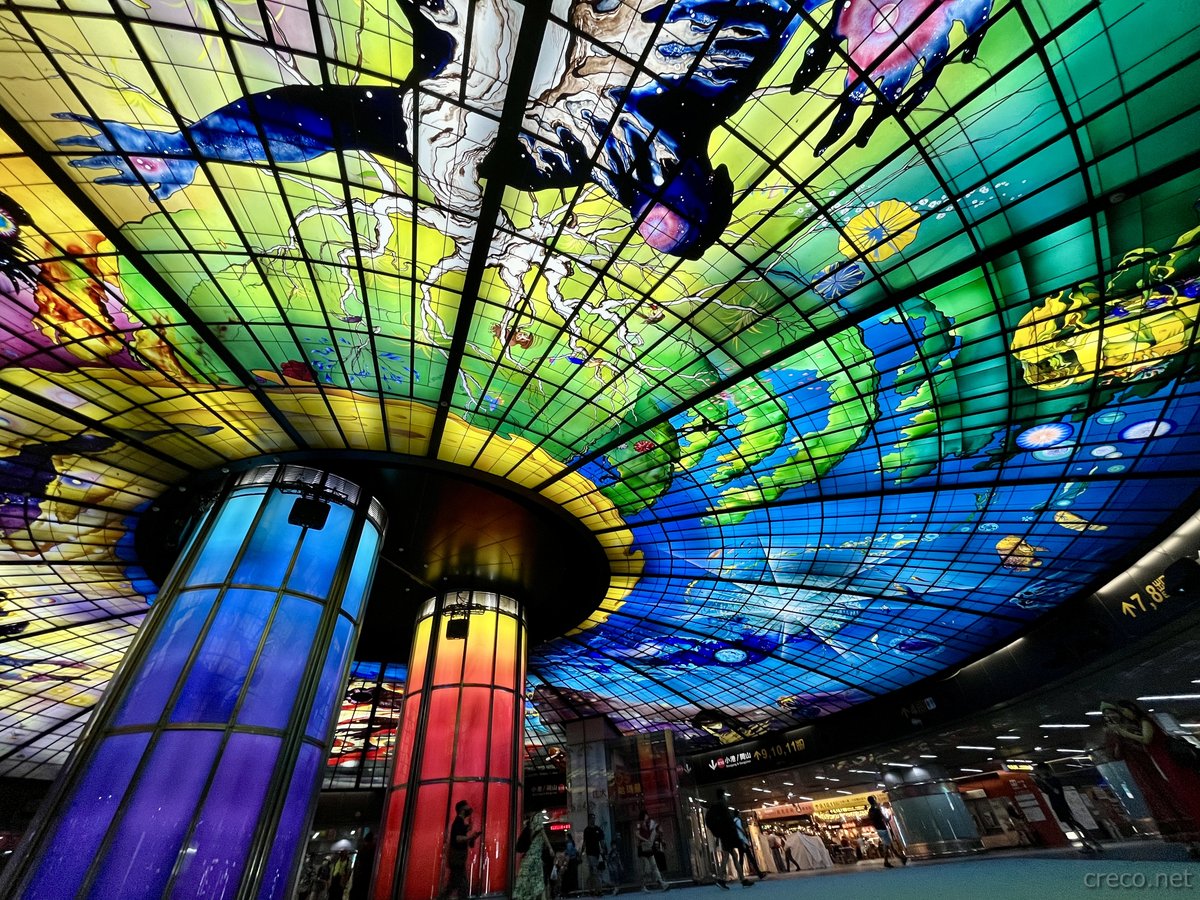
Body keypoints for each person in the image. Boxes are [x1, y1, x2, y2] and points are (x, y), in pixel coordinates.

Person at [1103, 700, 1200, 856]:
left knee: (1177, 796)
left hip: (1157, 763)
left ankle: (1194, 835)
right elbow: (1115, 755)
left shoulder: (1137, 724)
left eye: (1112, 712)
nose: (1110, 716)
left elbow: (1147, 740)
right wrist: (1117, 738)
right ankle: (1186, 841)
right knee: (1160, 800)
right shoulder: (1112, 733)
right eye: (1106, 715)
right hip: (1141, 770)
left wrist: (1124, 733)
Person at [1032, 762, 1103, 853]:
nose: (1037, 772)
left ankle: (1092, 842)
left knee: (1074, 823)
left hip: (1060, 804)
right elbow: (1047, 791)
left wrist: (1042, 782)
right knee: (1072, 824)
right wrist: (1039, 783)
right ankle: (1087, 843)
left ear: (1043, 770)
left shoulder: (1052, 780)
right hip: (1057, 804)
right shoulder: (1048, 780)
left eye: (1038, 770)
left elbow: (1054, 791)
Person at [704, 792, 752, 889]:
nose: (726, 797)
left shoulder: (715, 807)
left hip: (723, 835)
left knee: (732, 856)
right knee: (728, 857)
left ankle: (741, 879)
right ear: (723, 796)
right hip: (728, 835)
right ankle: (722, 879)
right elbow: (729, 823)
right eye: (725, 795)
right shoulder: (722, 806)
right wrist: (737, 838)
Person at [441, 799, 482, 899]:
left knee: (454, 883)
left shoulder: (460, 822)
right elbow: (458, 838)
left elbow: (463, 836)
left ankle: (444, 897)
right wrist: (470, 837)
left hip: (458, 858)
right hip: (457, 858)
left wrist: (471, 836)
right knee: (461, 884)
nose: (469, 809)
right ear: (462, 810)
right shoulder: (458, 822)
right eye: (467, 808)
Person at [514, 810, 554, 900]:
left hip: (530, 854)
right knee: (538, 879)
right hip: (535, 855)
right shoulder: (537, 816)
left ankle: (528, 896)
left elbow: (531, 834)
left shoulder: (531, 820)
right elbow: (543, 833)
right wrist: (550, 847)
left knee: (529, 878)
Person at [866, 796, 907, 868]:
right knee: (888, 845)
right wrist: (890, 816)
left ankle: (898, 859)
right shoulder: (877, 810)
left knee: (888, 845)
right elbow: (885, 819)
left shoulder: (870, 811)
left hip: (878, 830)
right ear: (874, 800)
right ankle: (896, 859)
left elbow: (871, 819)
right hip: (883, 828)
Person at [636, 808, 669, 891]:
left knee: (654, 865)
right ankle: (643, 885)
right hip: (642, 847)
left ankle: (661, 882)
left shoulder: (648, 824)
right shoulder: (639, 824)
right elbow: (636, 834)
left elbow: (653, 830)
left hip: (648, 846)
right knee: (646, 868)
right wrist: (645, 839)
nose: (647, 816)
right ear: (644, 815)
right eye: (646, 815)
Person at [582, 813, 609, 896]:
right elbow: (584, 842)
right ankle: (598, 890)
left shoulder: (598, 829)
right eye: (591, 818)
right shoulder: (587, 830)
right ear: (589, 819)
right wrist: (581, 851)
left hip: (597, 853)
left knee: (594, 872)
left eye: (594, 818)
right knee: (595, 871)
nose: (593, 820)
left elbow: (602, 841)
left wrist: (605, 851)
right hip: (590, 853)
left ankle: (593, 889)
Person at [349, 831, 377, 900]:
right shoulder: (371, 851)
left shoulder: (362, 851)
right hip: (365, 884)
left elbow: (356, 869)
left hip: (359, 883)